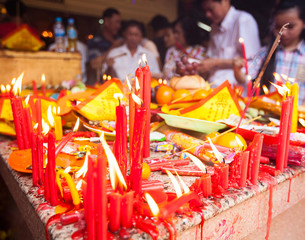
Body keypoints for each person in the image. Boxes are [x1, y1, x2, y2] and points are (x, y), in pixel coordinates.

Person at [234, 0, 305, 105]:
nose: (283, 32)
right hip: (266, 113)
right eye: (278, 27)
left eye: (290, 27)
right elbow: (247, 78)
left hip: (297, 117)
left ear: (303, 23)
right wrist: (238, 72)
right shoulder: (265, 53)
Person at [198, 0, 261, 87]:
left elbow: (253, 61)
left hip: (236, 90)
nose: (207, 15)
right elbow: (210, 57)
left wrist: (215, 63)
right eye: (205, 11)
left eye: (211, 9)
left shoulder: (243, 20)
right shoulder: (214, 28)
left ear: (225, 1)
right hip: (212, 87)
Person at [87, 8, 122, 84]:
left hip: (120, 84)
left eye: (120, 23)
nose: (119, 26)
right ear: (106, 22)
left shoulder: (121, 41)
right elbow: (94, 65)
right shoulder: (95, 41)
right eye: (116, 22)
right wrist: (113, 47)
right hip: (100, 84)